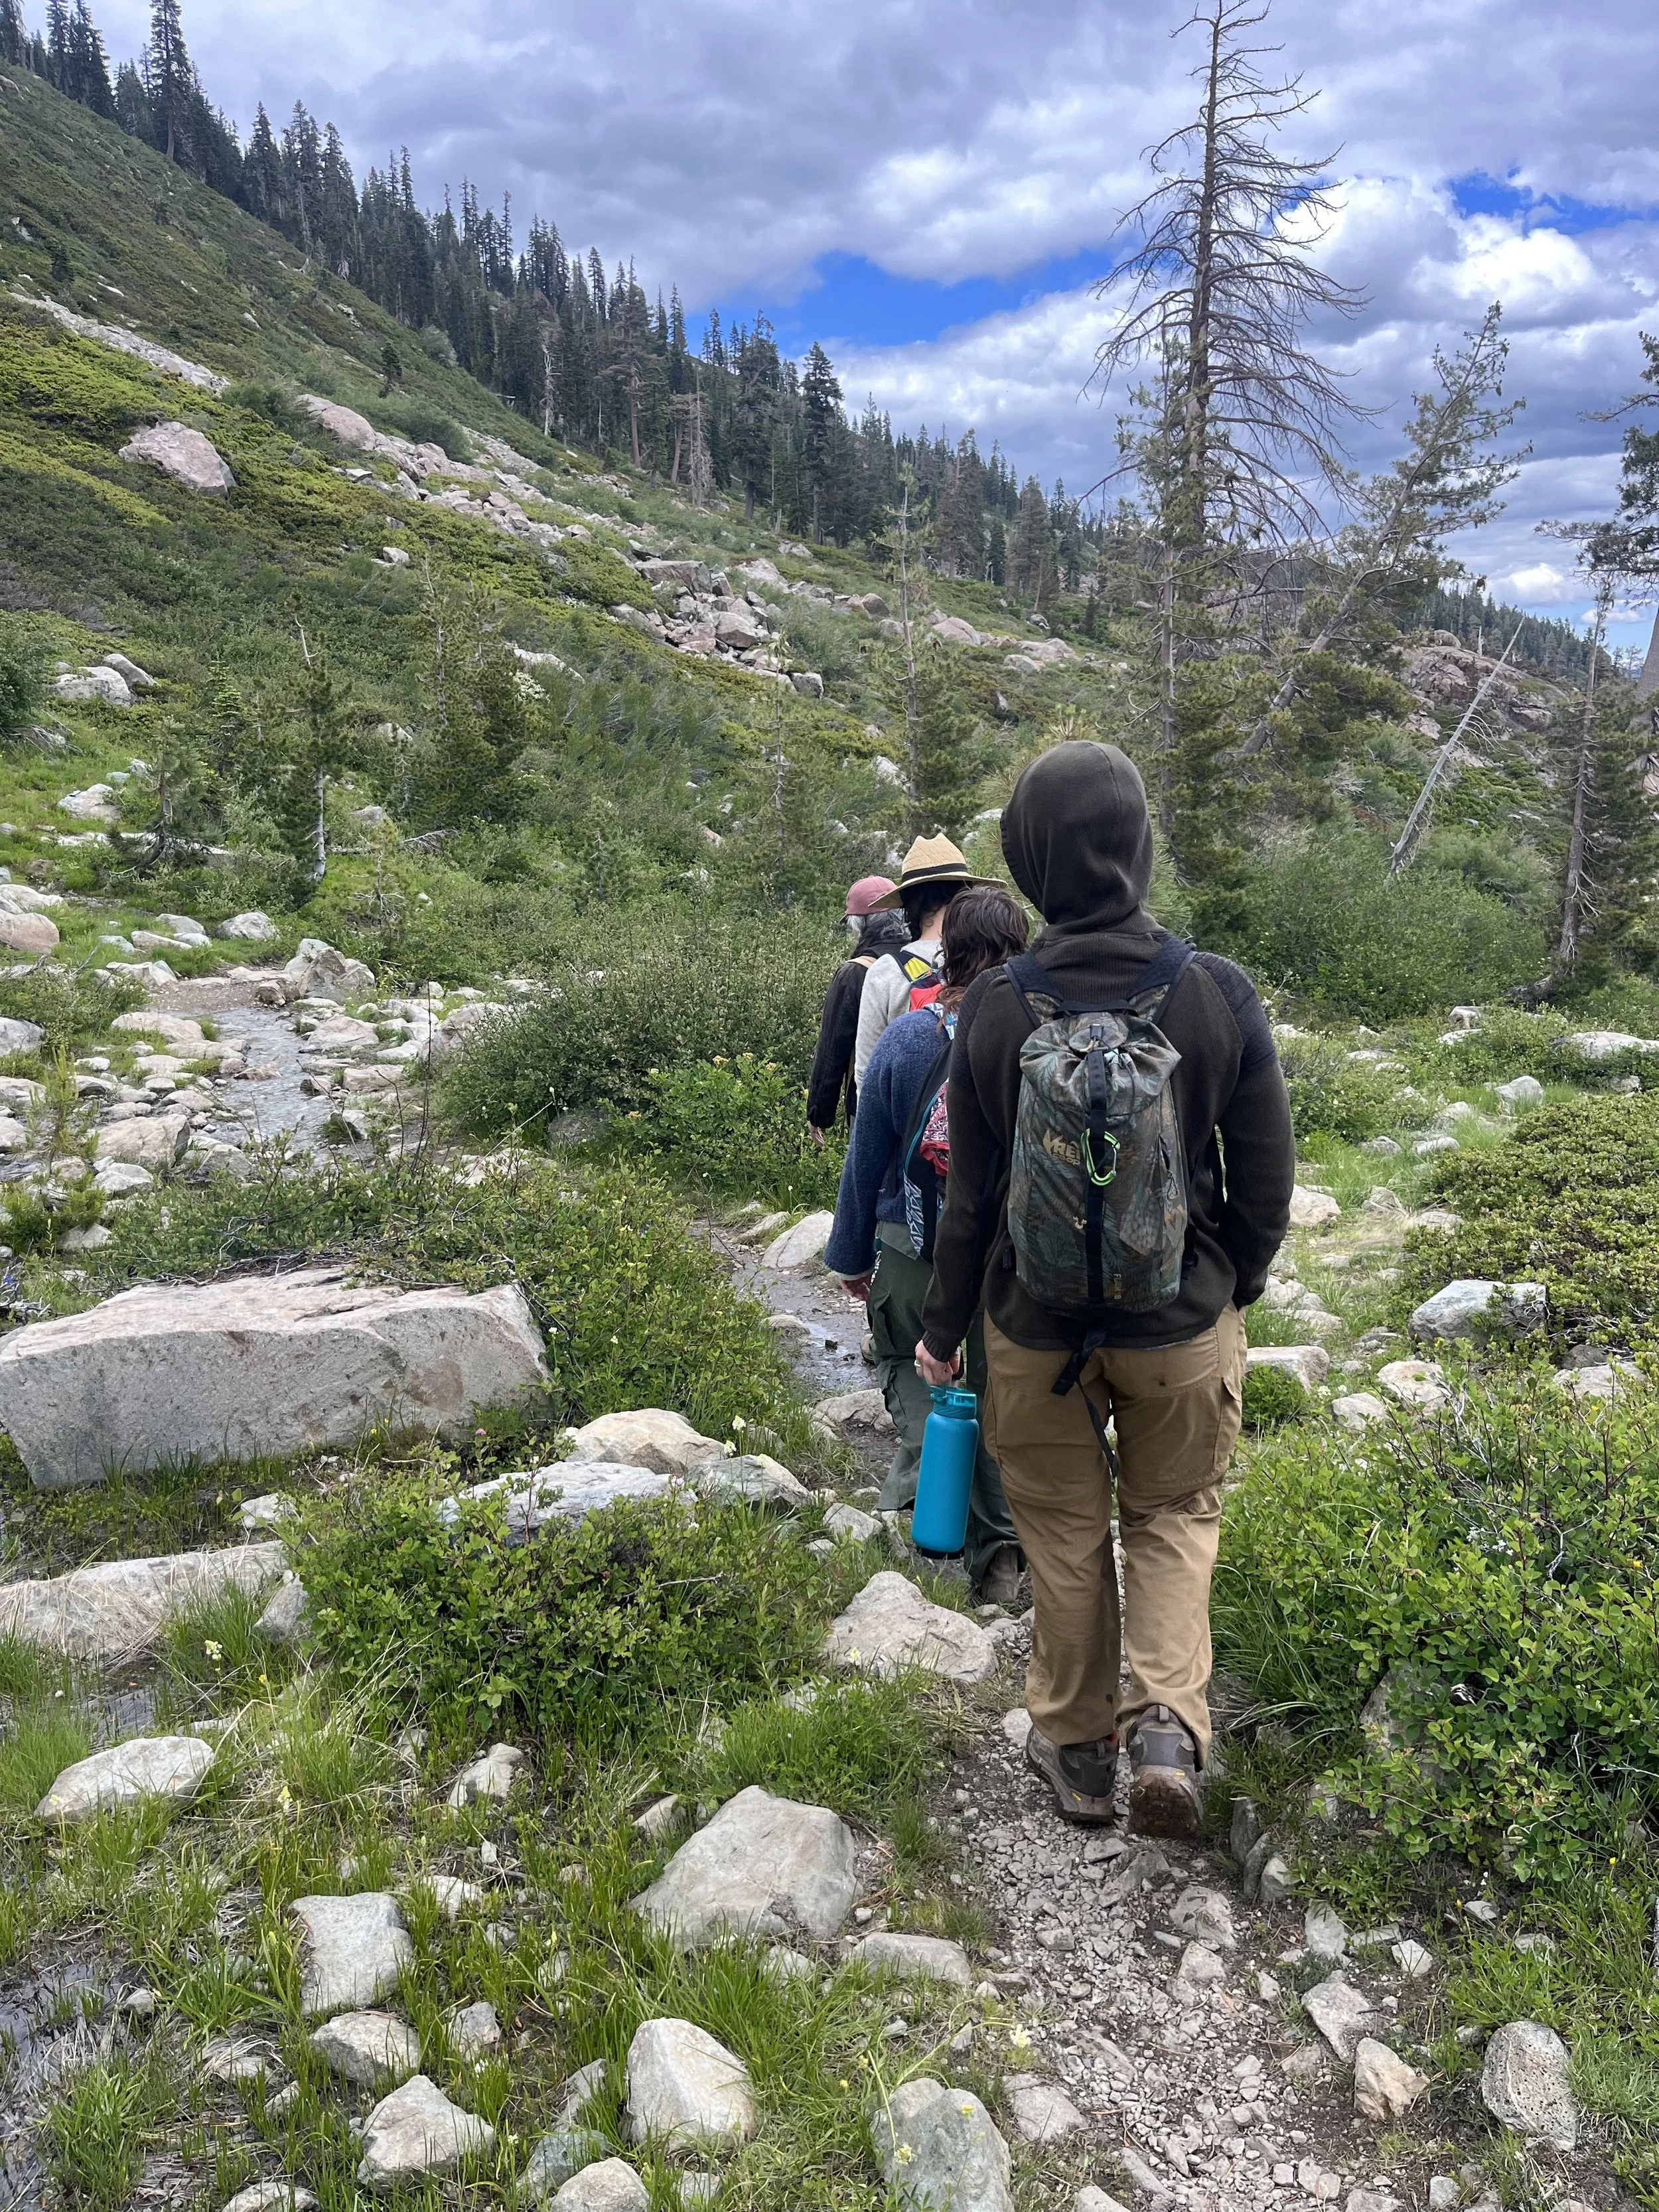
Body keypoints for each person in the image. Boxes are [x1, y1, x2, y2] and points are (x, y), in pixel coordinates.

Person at [916, 741, 1294, 1836]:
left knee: (1065, 1531)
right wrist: (1237, 1284)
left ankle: (1078, 1754)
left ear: (1028, 860)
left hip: (1034, 1334)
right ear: (1137, 842)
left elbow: (971, 1204)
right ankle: (1168, 1727)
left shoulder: (990, 1008)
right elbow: (1267, 1175)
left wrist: (943, 1332)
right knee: (1174, 1511)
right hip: (1182, 1319)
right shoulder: (1215, 990)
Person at [824, 885, 1031, 1603]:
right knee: (998, 1393)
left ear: (946, 955)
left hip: (914, 1243)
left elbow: (867, 1153)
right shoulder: (1041, 1036)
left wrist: (849, 1255)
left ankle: (923, 1503)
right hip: (1010, 1258)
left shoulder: (912, 1037)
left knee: (908, 1362)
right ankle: (1001, 1553)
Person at [852, 835, 997, 1092]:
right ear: (966, 894)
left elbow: (867, 1072)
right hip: (977, 1117)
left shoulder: (885, 972)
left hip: (910, 1122)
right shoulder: (991, 957)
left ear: (909, 904)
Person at [805, 877, 908, 1146]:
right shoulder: (925, 958)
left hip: (869, 1097)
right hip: (927, 1097)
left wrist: (819, 1113)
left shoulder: (855, 972)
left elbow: (832, 1047)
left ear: (859, 926)